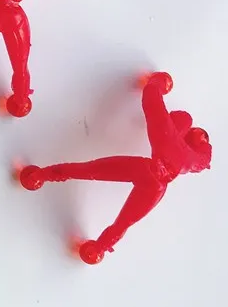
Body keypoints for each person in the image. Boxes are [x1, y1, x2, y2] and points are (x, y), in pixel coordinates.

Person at [19, 72, 212, 263]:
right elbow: (200, 156)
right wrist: (156, 87)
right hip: (157, 186)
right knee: (123, 221)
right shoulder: (191, 159)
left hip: (146, 170)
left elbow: (152, 100)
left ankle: (39, 175)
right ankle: (97, 250)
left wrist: (157, 83)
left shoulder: (169, 134)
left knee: (89, 171)